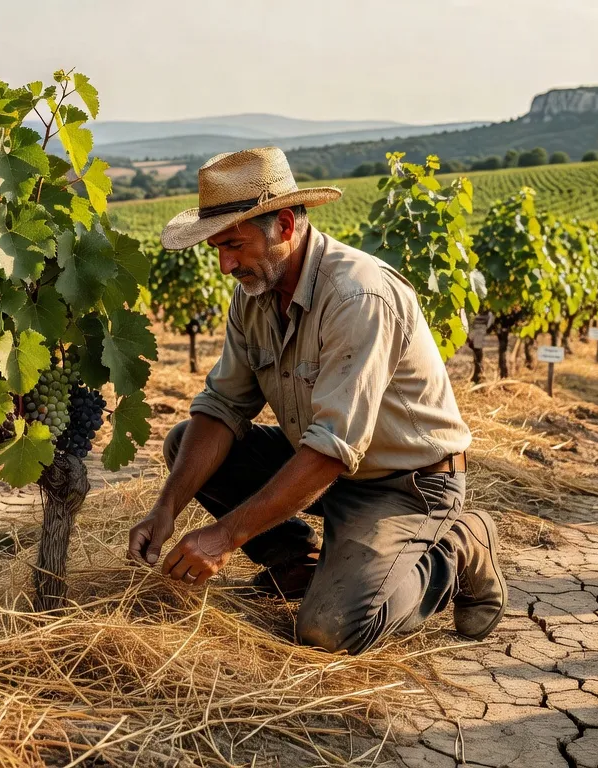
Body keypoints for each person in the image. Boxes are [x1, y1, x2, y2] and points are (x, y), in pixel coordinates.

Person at [127, 147, 506, 655]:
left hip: (405, 485)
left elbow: (332, 448)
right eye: (217, 248)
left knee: (331, 631)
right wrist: (165, 508)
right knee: (186, 442)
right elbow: (223, 406)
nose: (224, 265)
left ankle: (458, 547)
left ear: (284, 225)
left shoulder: (356, 297)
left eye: (234, 245)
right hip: (326, 469)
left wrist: (222, 538)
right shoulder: (254, 295)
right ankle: (298, 563)